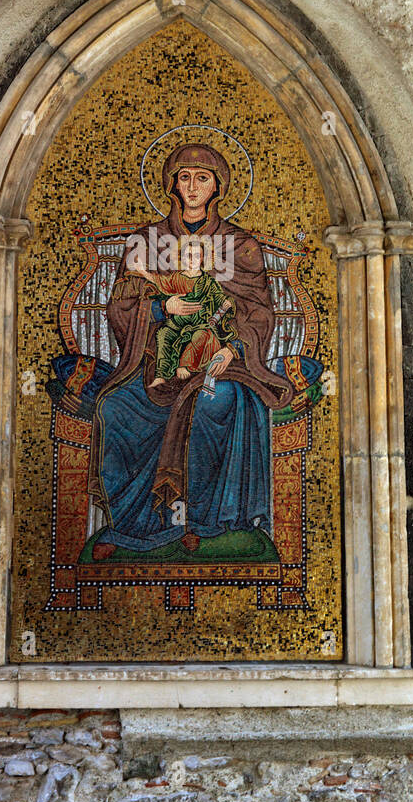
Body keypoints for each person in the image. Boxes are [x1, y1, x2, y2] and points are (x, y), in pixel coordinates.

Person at [86, 141, 294, 560]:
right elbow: (121, 306)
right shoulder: (147, 242)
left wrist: (233, 350)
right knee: (116, 407)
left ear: (218, 186)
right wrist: (162, 307)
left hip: (221, 361)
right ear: (171, 185)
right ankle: (135, 527)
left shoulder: (240, 245)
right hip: (155, 364)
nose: (193, 186)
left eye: (203, 178)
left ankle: (206, 523)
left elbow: (258, 310)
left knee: (219, 402)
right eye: (184, 177)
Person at [128, 234, 239, 385]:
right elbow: (161, 282)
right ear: (181, 258)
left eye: (197, 255)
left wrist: (226, 305)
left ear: (202, 259)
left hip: (200, 323)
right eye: (188, 255)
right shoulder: (176, 278)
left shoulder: (208, 282)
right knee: (163, 334)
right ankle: (161, 374)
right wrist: (143, 272)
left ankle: (184, 365)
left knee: (201, 336)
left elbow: (219, 299)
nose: (192, 259)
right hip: (177, 322)